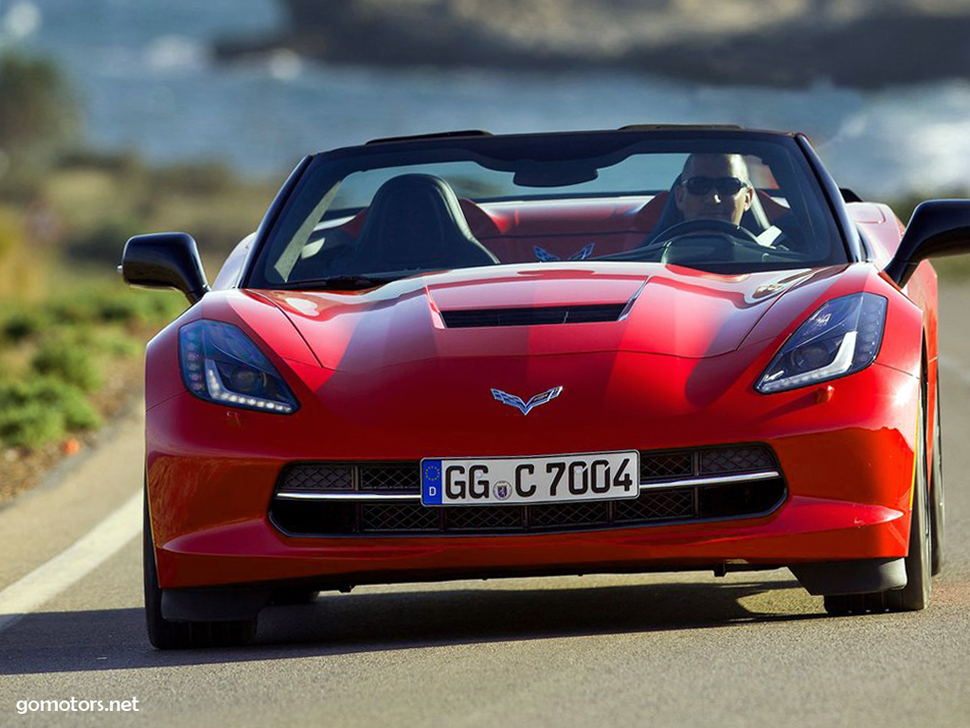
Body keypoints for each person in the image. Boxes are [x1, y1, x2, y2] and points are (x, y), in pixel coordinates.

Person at [673, 153, 754, 225]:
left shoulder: (765, 242)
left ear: (747, 199)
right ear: (680, 197)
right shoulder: (663, 242)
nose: (714, 199)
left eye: (727, 186)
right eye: (699, 186)